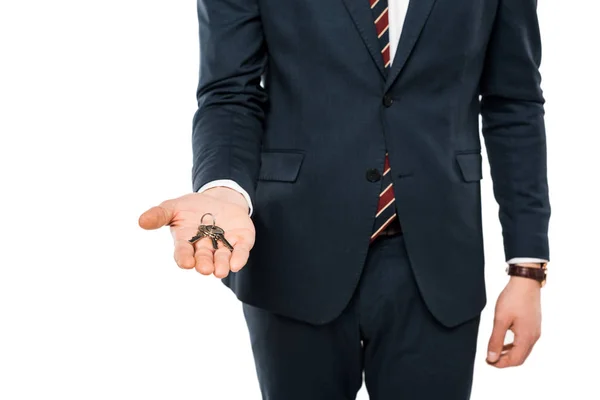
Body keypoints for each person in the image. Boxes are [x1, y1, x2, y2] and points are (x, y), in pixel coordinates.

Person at [139, 0, 550, 398]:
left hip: (438, 255)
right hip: (294, 249)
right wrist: (223, 189)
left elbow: (514, 103)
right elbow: (230, 93)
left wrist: (527, 267)